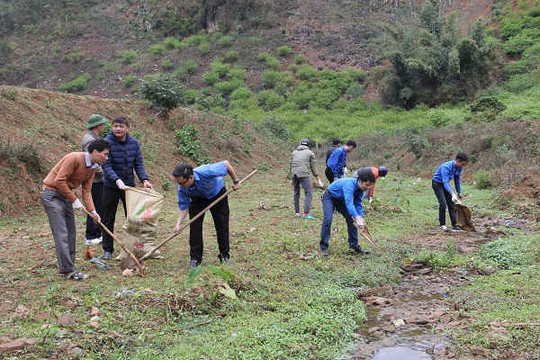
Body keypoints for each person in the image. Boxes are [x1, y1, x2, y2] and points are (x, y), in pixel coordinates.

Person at [41, 139, 110, 280]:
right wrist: (74, 200)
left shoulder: (93, 168)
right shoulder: (74, 158)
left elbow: (87, 190)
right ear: (95, 152)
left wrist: (92, 211)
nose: (106, 158)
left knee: (71, 232)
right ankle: (68, 271)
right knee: (62, 233)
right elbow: (58, 181)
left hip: (65, 196)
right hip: (52, 194)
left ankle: (69, 267)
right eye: (105, 154)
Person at [101, 117, 153, 260]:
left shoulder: (134, 143)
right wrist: (116, 180)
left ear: (128, 128)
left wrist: (144, 179)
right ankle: (107, 249)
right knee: (108, 218)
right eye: (115, 126)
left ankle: (138, 248)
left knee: (135, 218)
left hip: (129, 187)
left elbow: (139, 164)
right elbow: (106, 165)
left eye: (121, 126)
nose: (118, 129)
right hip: (111, 186)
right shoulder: (107, 143)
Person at [172, 161, 240, 268]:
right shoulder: (182, 188)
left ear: (191, 177)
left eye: (182, 183)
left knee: (222, 225)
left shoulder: (206, 171)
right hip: (198, 199)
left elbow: (226, 164)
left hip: (217, 194)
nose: (180, 186)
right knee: (194, 226)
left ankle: (224, 256)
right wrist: (178, 224)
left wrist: (236, 181)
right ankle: (195, 259)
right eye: (178, 183)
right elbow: (184, 207)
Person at [319, 167, 375, 256]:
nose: (368, 188)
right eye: (367, 185)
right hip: (329, 197)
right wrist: (357, 216)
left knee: (352, 220)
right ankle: (323, 247)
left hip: (341, 200)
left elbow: (358, 204)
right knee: (328, 219)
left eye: (370, 185)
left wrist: (360, 218)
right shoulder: (349, 184)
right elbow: (349, 204)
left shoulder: (360, 190)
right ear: (360, 181)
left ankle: (354, 246)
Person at [81, 114, 107, 246]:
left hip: (96, 178)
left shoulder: (93, 137)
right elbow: (91, 159)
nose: (104, 127)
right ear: (98, 126)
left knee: (99, 206)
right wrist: (102, 173)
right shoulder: (90, 140)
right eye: (102, 124)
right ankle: (91, 235)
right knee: (95, 206)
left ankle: (97, 233)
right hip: (95, 179)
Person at [432, 152, 469, 231]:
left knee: (451, 204)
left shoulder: (459, 168)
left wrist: (459, 192)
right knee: (443, 203)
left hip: (445, 185)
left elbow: (457, 179)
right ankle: (442, 224)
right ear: (458, 161)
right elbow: (445, 182)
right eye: (462, 164)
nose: (463, 167)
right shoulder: (446, 167)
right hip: (437, 184)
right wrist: (452, 193)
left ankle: (454, 225)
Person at [289, 138, 324, 220]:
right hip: (304, 174)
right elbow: (313, 166)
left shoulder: (294, 152)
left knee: (296, 193)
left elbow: (291, 165)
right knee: (309, 193)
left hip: (294, 174)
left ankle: (297, 212)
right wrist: (317, 176)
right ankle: (306, 213)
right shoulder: (310, 153)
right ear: (308, 145)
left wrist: (291, 177)